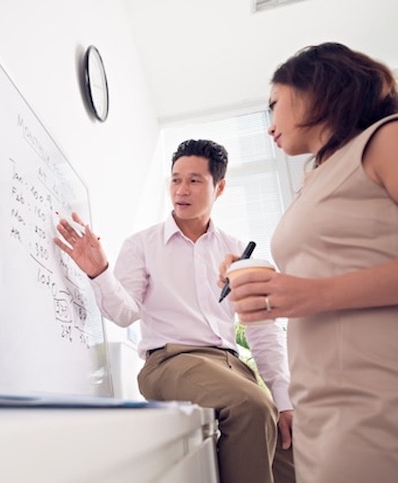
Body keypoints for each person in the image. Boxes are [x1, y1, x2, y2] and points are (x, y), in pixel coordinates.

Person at [223, 42, 398, 483]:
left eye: (273, 105)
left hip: (382, 389)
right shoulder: (322, 174)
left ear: (315, 87)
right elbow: (343, 261)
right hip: (323, 398)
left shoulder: (392, 137)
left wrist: (314, 293)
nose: (269, 125)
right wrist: (267, 282)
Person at [55, 139, 296, 483]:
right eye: (175, 179)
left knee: (289, 445)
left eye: (195, 180)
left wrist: (284, 400)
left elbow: (261, 327)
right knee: (251, 406)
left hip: (231, 367)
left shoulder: (238, 251)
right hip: (170, 362)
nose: (181, 190)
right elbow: (124, 314)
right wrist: (100, 272)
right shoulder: (142, 245)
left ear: (220, 187)